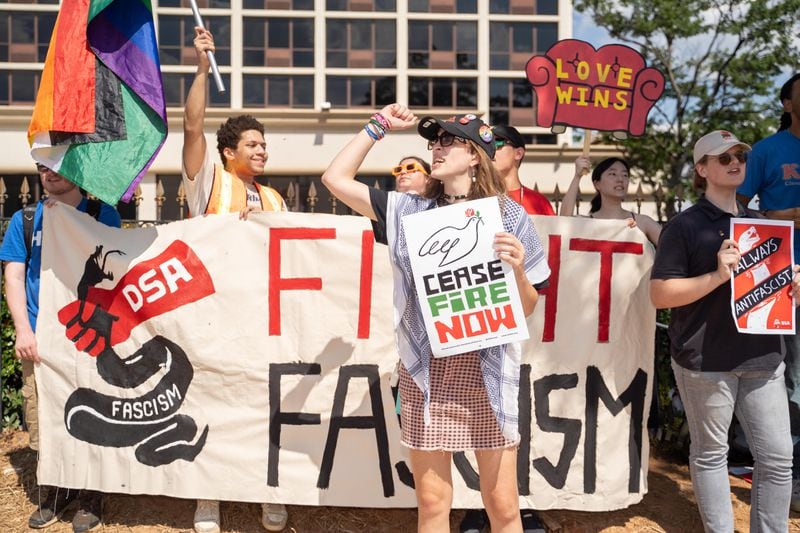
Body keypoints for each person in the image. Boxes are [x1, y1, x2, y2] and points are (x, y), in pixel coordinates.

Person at [322, 105, 550, 532]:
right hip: (428, 371)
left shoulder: (511, 215)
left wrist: (518, 270)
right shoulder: (408, 210)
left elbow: (530, 304)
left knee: (502, 506)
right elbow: (334, 180)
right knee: (431, 503)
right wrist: (379, 127)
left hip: (489, 369)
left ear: (475, 154)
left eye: (448, 141)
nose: (435, 148)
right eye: (433, 141)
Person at [650, 130, 797, 531]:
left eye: (740, 157)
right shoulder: (684, 226)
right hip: (705, 360)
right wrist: (717, 275)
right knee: (712, 453)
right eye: (723, 158)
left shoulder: (763, 223)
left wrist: (792, 287)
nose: (735, 163)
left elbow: (775, 294)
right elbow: (660, 295)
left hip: (764, 357)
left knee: (778, 457)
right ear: (702, 169)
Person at [183, 27, 287, 533]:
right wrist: (202, 69)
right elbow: (191, 126)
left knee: (260, 407)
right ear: (229, 152)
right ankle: (208, 499)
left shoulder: (276, 201)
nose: (262, 150)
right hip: (210, 316)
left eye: (265, 144)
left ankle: (266, 489)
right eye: (253, 143)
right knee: (208, 405)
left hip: (259, 320)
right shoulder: (208, 181)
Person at [0, 163, 121, 531]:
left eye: (57, 165)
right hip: (40, 338)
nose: (49, 173)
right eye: (41, 167)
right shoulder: (24, 219)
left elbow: (118, 266)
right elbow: (15, 274)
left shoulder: (104, 214)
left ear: (76, 166)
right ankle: (55, 491)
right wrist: (23, 329)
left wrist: (69, 222)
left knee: (90, 413)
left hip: (87, 336)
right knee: (43, 420)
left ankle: (90, 494)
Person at [459, 123, 552, 533]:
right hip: (459, 344)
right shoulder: (437, 205)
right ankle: (479, 510)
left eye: (499, 144)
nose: (491, 149)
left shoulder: (526, 207)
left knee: (509, 441)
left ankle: (511, 510)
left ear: (518, 152)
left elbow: (535, 289)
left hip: (510, 337)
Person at [736, 73, 800, 510]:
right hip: (786, 284)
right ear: (788, 102)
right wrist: (779, 215)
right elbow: (735, 205)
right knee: (794, 382)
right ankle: (791, 478)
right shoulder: (767, 151)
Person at [560, 156, 661, 245]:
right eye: (613, 174)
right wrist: (577, 176)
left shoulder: (642, 222)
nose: (620, 179)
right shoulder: (586, 222)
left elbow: (672, 246)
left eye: (625, 175)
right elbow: (562, 221)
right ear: (597, 184)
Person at [492, 124, 555, 216]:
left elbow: (557, 229)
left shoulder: (539, 202)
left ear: (518, 153)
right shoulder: (478, 199)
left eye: (497, 144)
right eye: (487, 146)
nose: (491, 151)